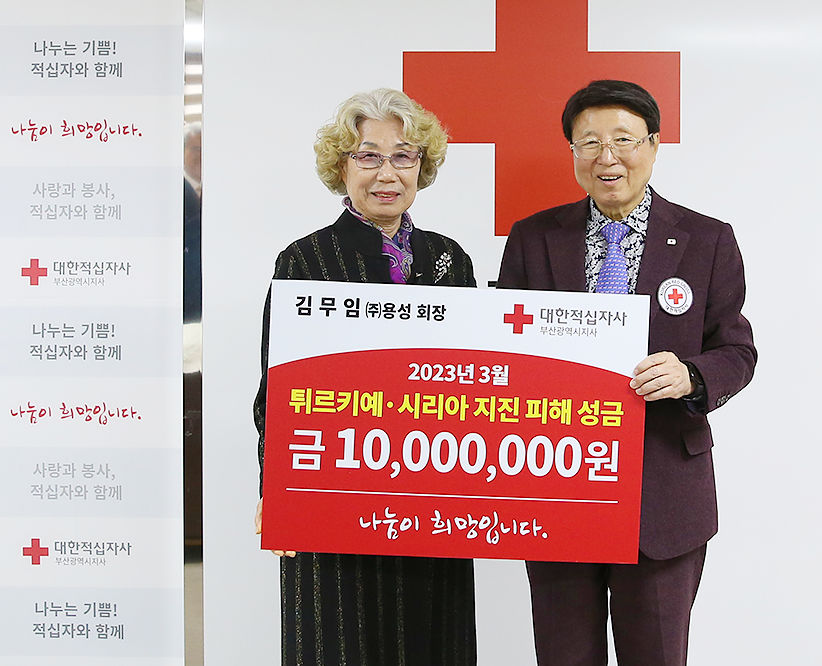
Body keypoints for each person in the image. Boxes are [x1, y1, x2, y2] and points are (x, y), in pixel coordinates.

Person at [496, 80, 756, 666]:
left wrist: (691, 375)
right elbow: (503, 352)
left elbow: (737, 350)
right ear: (572, 152)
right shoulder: (533, 238)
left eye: (623, 140)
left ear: (654, 145)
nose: (606, 157)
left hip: (664, 490)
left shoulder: (707, 239)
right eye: (588, 142)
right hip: (558, 485)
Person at [253, 88, 477, 666]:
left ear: (422, 166)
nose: (386, 173)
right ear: (342, 166)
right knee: (337, 641)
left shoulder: (450, 260)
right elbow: (276, 391)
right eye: (368, 156)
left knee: (432, 642)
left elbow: (476, 383)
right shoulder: (305, 261)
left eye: (403, 156)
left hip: (433, 496)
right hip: (332, 491)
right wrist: (276, 489)